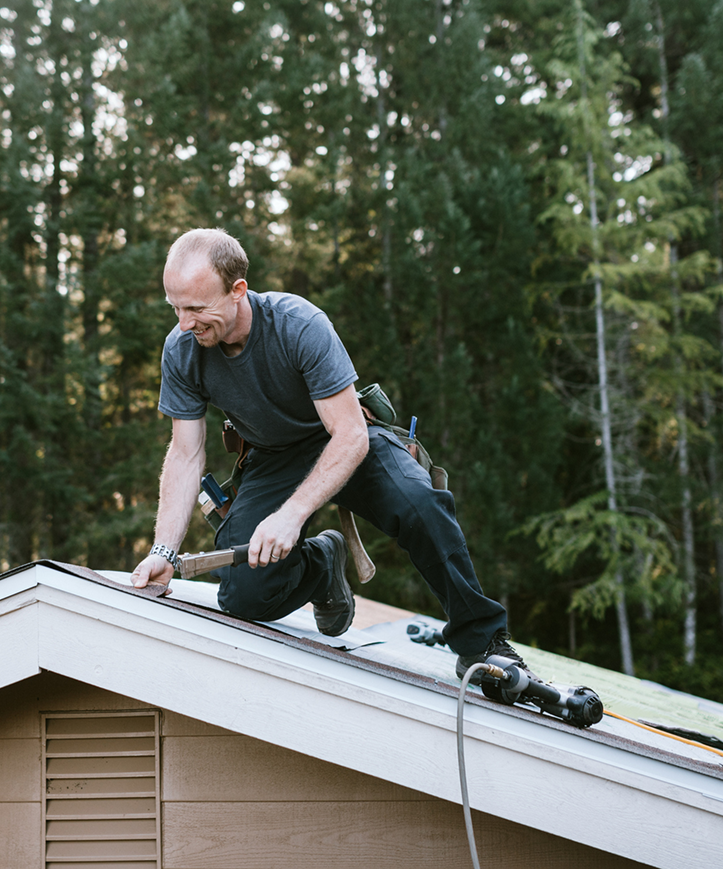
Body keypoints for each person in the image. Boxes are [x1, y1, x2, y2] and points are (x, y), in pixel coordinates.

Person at [130, 227, 538, 692]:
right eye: (176, 308)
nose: (185, 323)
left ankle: (484, 645)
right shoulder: (182, 349)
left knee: (422, 504)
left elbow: (349, 434)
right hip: (274, 458)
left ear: (238, 290)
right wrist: (163, 551)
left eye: (197, 309)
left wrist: (292, 515)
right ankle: (323, 564)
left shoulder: (298, 324)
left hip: (345, 439)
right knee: (243, 596)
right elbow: (185, 455)